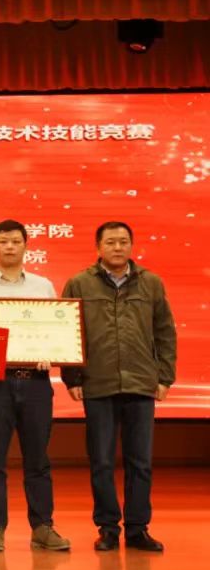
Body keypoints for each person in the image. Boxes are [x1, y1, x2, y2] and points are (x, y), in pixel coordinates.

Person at [61, 221, 176, 552]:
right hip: (98, 383)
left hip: (141, 383)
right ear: (98, 247)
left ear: (131, 246)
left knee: (140, 462)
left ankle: (138, 529)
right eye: (110, 242)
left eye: (123, 241)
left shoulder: (151, 283)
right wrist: (72, 377)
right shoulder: (79, 283)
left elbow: (165, 331)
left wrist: (164, 377)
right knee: (101, 461)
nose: (117, 247)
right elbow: (68, 332)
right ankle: (108, 528)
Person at [0, 219, 70, 552]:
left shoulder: (42, 286)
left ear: (26, 246)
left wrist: (49, 353)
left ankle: (42, 527)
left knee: (38, 459)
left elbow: (55, 331)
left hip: (36, 384)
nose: (10, 247)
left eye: (16, 241)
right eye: (4, 241)